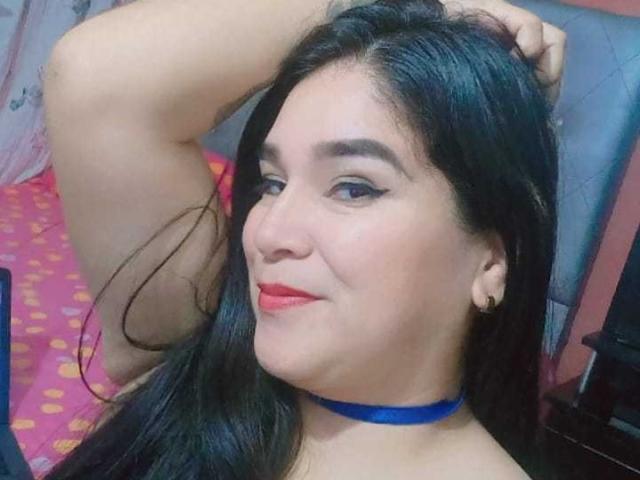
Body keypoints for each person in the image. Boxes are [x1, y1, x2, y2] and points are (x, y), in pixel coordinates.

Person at [42, 0, 566, 478]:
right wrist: (408, 7)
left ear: (492, 262)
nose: (269, 233)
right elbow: (94, 77)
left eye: (354, 188)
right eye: (272, 183)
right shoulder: (204, 359)